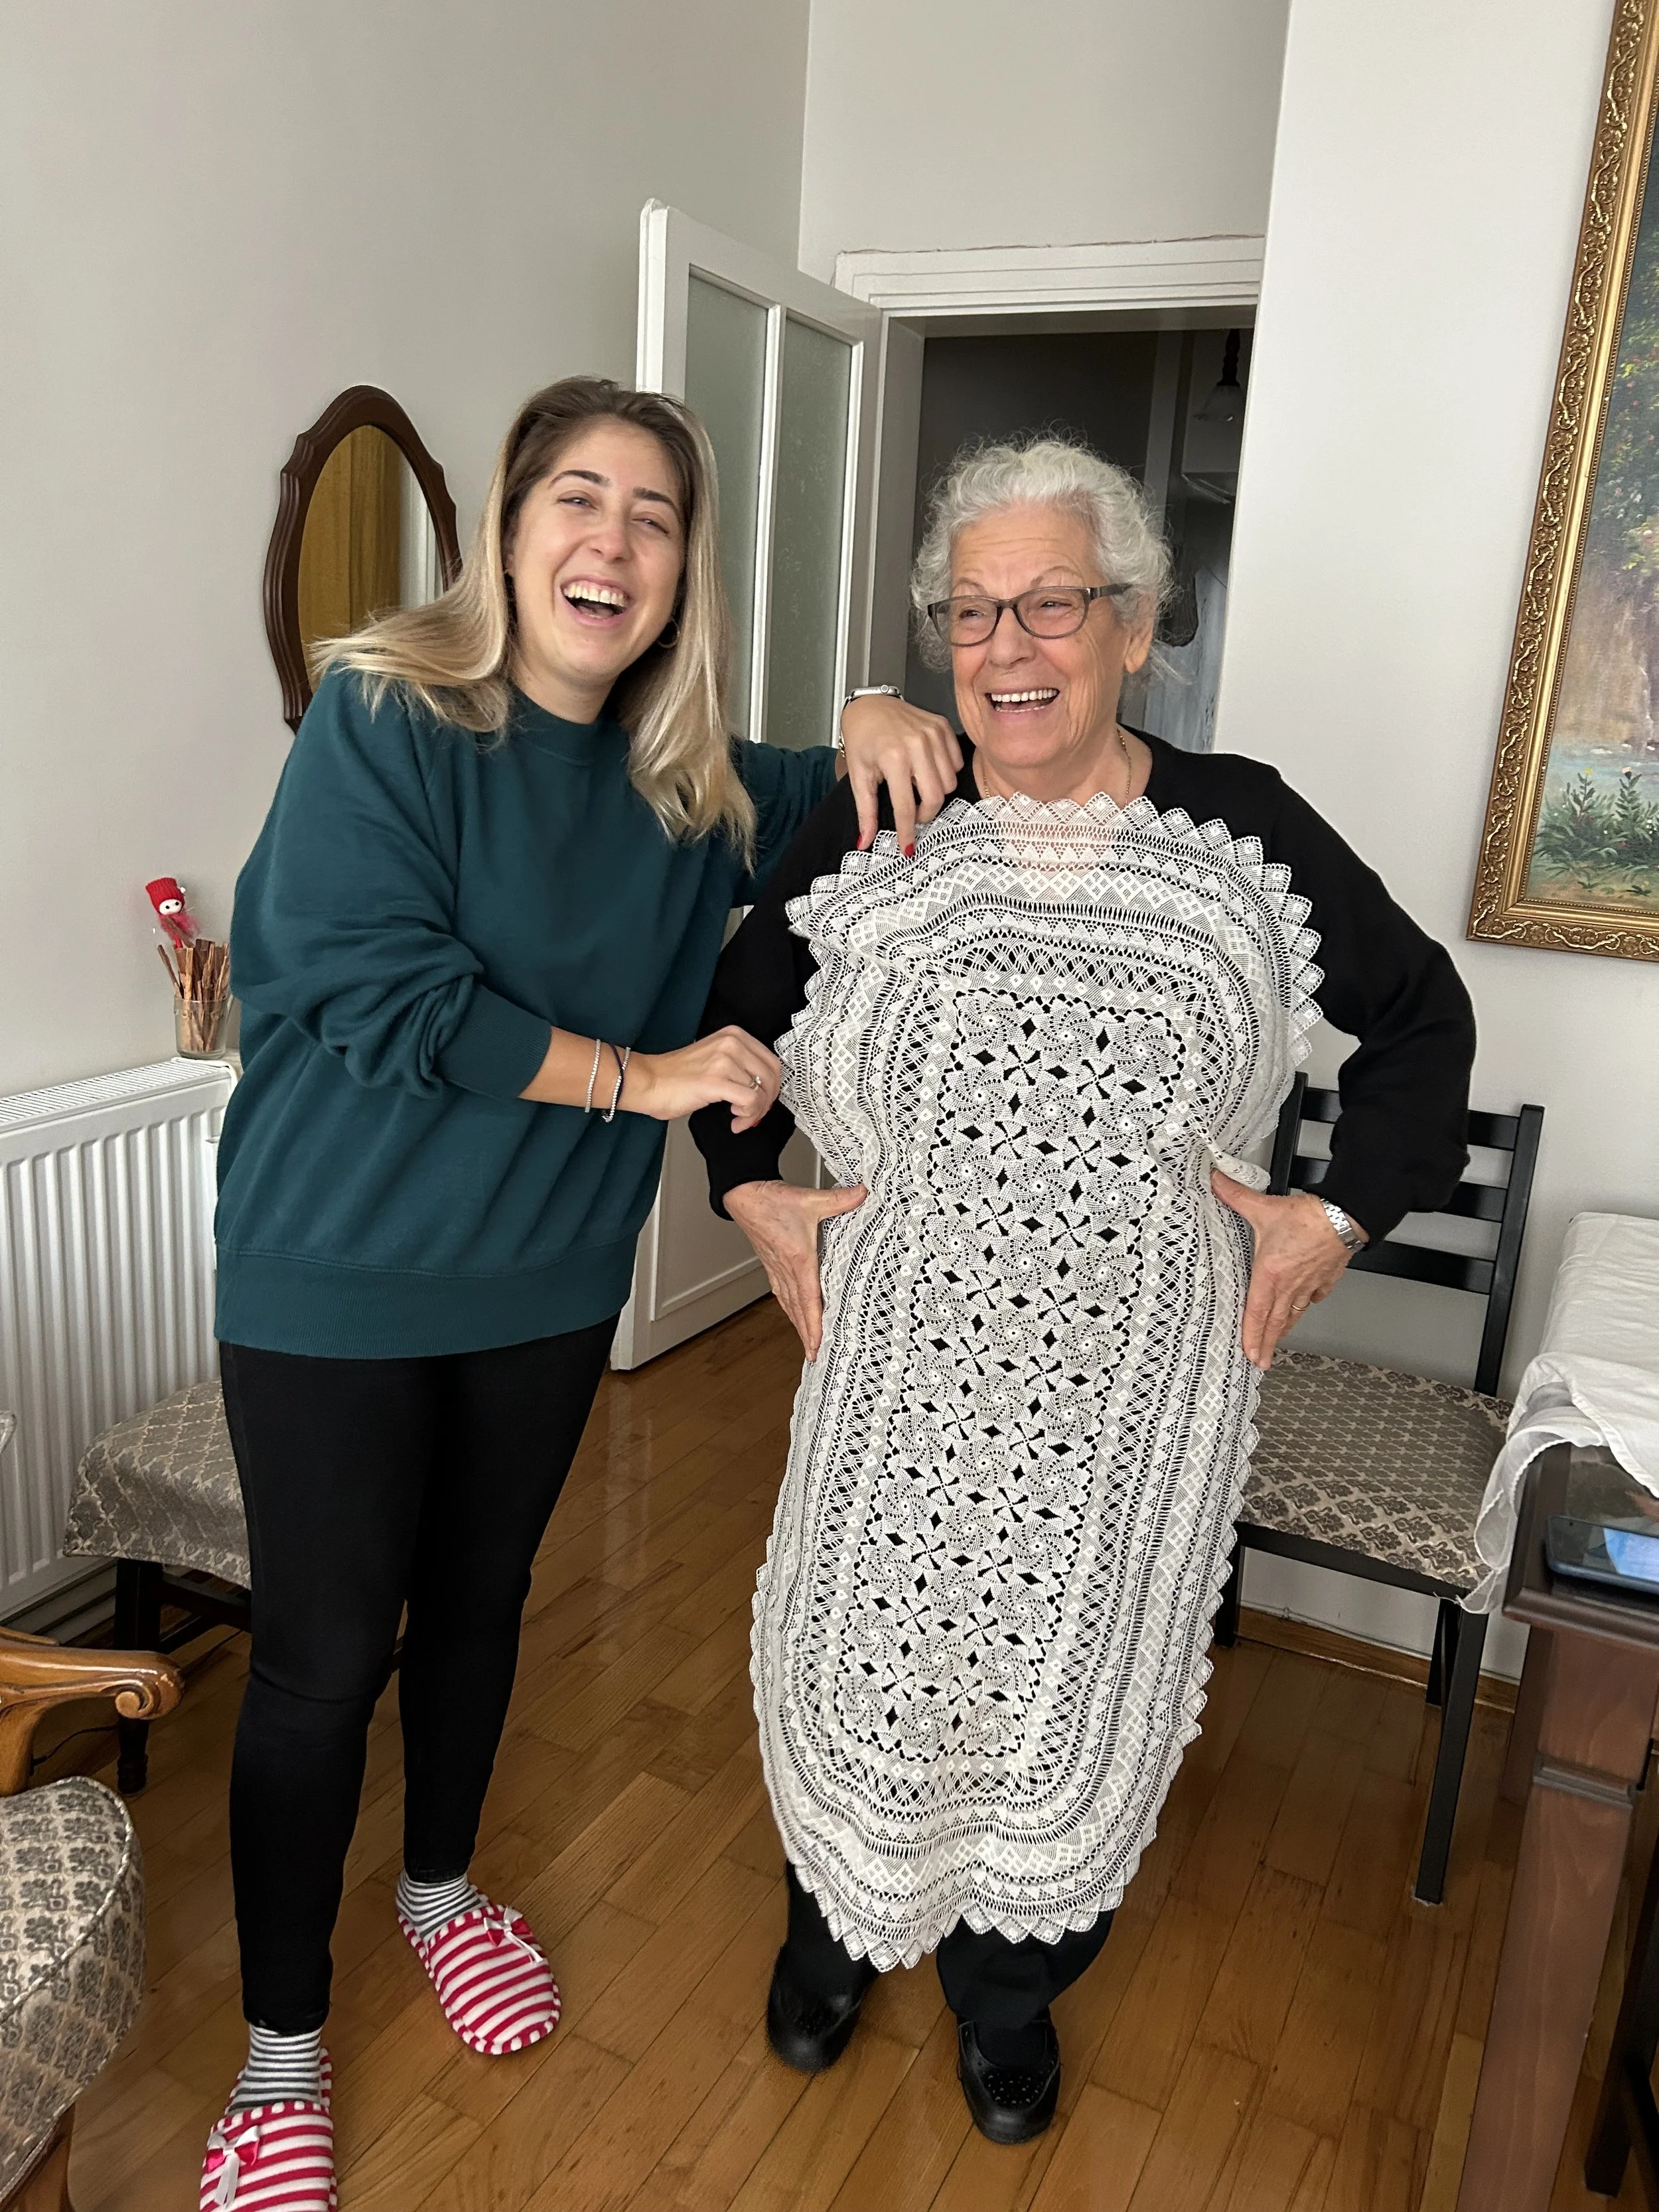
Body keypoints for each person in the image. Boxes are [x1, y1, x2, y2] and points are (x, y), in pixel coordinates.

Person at [199, 376, 957, 2212]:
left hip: (541, 1282)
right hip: (336, 1276)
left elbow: (846, 789)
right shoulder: (386, 710)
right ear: (510, 530)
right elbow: (385, 996)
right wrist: (656, 1073)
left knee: (475, 1611)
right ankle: (280, 2046)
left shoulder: (687, 785)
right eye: (576, 499)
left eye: (653, 516)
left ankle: (442, 1888)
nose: (610, 541)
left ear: (684, 566)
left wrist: (885, 706)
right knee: (316, 1665)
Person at [691, 434, 1476, 2144]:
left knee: (1073, 1703)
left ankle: (1006, 1993)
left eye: (1054, 602)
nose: (1012, 645)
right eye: (974, 613)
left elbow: (1423, 1023)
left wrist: (1327, 1221)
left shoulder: (1241, 825)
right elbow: (733, 1029)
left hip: (1136, 1406)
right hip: (895, 1383)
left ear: (1135, 622)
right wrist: (753, 1195)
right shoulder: (878, 816)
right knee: (874, 1675)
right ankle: (836, 1935)